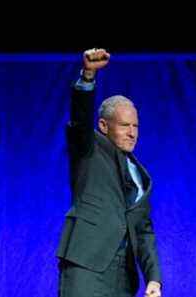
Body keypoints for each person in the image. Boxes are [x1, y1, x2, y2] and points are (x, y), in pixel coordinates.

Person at [56, 48, 162, 297]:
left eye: (136, 126)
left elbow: (144, 231)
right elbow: (80, 120)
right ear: (103, 126)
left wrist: (154, 279)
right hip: (86, 265)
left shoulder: (140, 176)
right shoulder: (89, 149)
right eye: (125, 125)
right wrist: (88, 76)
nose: (132, 132)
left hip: (123, 277)